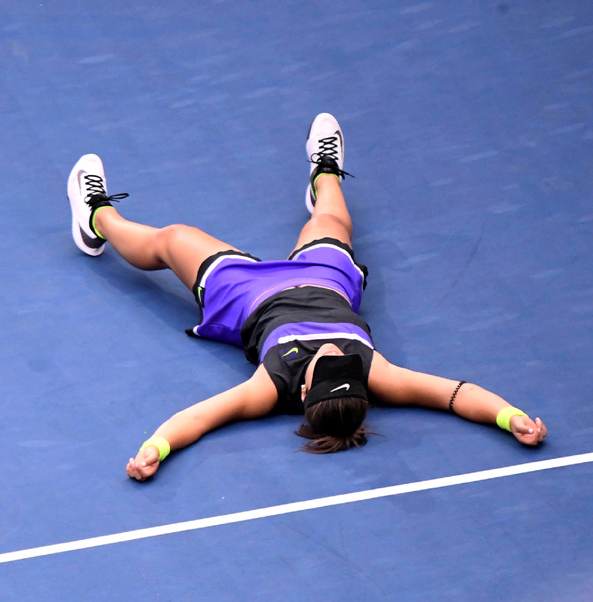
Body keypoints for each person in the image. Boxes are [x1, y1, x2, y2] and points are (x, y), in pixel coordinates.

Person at [66, 113, 548, 481]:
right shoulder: (374, 372)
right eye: (347, 365)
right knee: (331, 223)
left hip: (248, 297)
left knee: (173, 239)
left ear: (302, 391)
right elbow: (456, 394)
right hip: (326, 283)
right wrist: (511, 417)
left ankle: (96, 217)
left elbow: (199, 417)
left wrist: (157, 447)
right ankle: (325, 172)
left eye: (328, 366)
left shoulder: (270, 385)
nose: (337, 353)